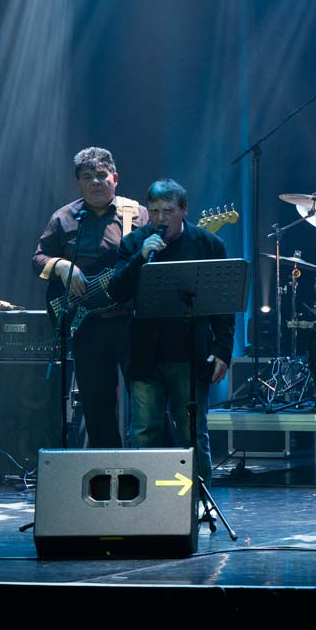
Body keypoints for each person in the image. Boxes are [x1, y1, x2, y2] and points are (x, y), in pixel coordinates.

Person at [108, 179, 235, 479]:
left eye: (168, 211)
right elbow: (116, 291)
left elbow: (223, 304)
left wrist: (223, 350)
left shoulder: (208, 244)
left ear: (184, 209)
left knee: (193, 432)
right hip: (145, 354)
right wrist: (140, 258)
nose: (160, 218)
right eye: (154, 211)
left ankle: (198, 499)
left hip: (189, 355)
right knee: (144, 431)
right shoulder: (134, 243)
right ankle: (145, 499)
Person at [32, 147, 147, 448]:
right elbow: (38, 259)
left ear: (115, 178)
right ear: (78, 184)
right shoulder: (63, 218)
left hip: (131, 323)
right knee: (97, 407)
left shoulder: (135, 214)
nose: (96, 182)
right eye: (87, 177)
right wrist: (61, 266)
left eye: (101, 175)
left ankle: (150, 466)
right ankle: (107, 469)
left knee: (146, 402)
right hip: (86, 326)